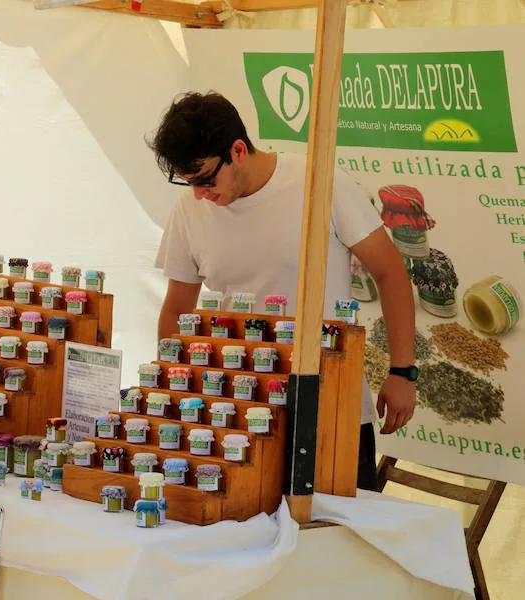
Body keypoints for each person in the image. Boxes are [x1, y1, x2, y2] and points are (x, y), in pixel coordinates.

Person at [150, 92, 416, 490]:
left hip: (330, 408)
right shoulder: (189, 210)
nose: (199, 194)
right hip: (237, 412)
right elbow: (176, 308)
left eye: (205, 179)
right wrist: (173, 389)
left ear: (238, 150)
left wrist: (402, 372)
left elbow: (391, 272)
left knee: (338, 541)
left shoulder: (318, 183)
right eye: (188, 183)